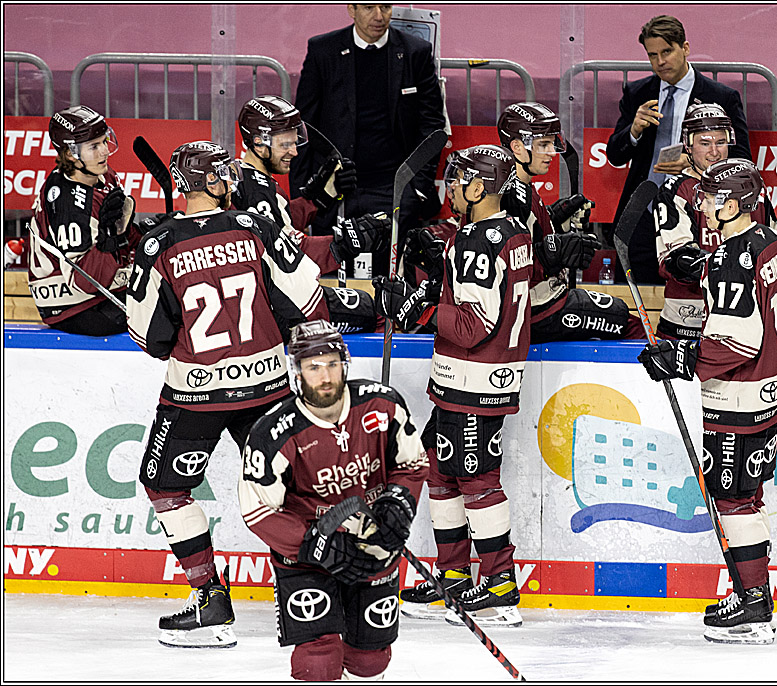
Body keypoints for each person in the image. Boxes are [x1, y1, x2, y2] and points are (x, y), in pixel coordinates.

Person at [125, 140, 330, 648]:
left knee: (165, 487)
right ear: (215, 183)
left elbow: (148, 338)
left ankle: (211, 602)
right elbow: (307, 299)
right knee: (292, 489)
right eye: (225, 175)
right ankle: (313, 599)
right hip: (266, 388)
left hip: (194, 396)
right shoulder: (256, 227)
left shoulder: (158, 244)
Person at [638, 159, 777, 645]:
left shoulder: (732, 255)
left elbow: (736, 342)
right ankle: (753, 593)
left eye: (709, 198)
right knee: (747, 497)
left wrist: (680, 357)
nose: (701, 205)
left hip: (739, 393)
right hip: (771, 388)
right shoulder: (766, 240)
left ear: (731, 204)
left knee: (731, 498)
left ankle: (754, 604)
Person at [372, 145, 532, 627]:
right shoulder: (511, 232)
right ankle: (456, 578)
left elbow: (472, 324)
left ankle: (500, 585)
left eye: (459, 180)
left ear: (480, 188)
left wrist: (418, 308)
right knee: (440, 475)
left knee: (477, 481)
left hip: (473, 379)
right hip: (469, 378)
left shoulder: (477, 241)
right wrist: (423, 291)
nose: (451, 189)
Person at [240, 320, 428, 680]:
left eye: (331, 364)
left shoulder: (382, 404)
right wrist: (314, 544)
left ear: (345, 364)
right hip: (310, 556)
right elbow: (258, 510)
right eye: (313, 367)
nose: (324, 376)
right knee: (318, 661)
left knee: (370, 661)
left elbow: (413, 464)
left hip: (373, 544)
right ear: (297, 373)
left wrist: (397, 504)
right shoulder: (273, 433)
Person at [289, 3, 446, 279]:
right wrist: (305, 192)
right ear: (351, 9)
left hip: (394, 190)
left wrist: (416, 190)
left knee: (393, 283)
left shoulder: (415, 52)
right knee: (330, 280)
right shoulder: (323, 51)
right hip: (336, 189)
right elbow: (303, 125)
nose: (378, 16)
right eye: (368, 7)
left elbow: (432, 127)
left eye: (385, 7)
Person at [653, 103, 777, 339]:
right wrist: (735, 266)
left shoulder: (753, 188)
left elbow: (768, 255)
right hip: (687, 325)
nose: (714, 152)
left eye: (721, 142)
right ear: (689, 146)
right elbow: (678, 262)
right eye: (705, 143)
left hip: (745, 326)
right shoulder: (675, 190)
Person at [606, 15, 751, 284]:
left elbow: (741, 158)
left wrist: (695, 161)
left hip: (696, 215)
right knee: (634, 299)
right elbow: (615, 155)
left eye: (667, 51)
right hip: (643, 213)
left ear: (685, 48)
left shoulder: (720, 97)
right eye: (652, 55)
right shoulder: (638, 93)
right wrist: (634, 130)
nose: (660, 61)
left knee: (689, 298)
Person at [495, 101, 646, 342]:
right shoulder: (509, 195)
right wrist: (554, 253)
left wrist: (556, 219)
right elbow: (504, 265)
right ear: (517, 147)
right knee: (632, 325)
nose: (551, 152)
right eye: (543, 144)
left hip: (541, 300)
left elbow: (530, 235)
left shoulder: (520, 185)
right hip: (534, 308)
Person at [234, 95, 385, 334]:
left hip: (260, 298)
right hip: (275, 307)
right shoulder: (257, 191)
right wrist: (345, 243)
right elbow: (289, 256)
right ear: (258, 143)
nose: (294, 152)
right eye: (285, 145)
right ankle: (331, 369)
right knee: (379, 311)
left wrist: (316, 199)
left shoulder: (245, 177)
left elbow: (275, 226)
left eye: (295, 143)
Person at [26, 105, 142, 335]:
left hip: (99, 292)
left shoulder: (100, 175)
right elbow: (84, 282)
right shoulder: (68, 203)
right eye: (94, 146)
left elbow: (123, 239)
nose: (104, 151)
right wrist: (110, 238)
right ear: (70, 153)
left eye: (104, 141)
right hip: (75, 308)